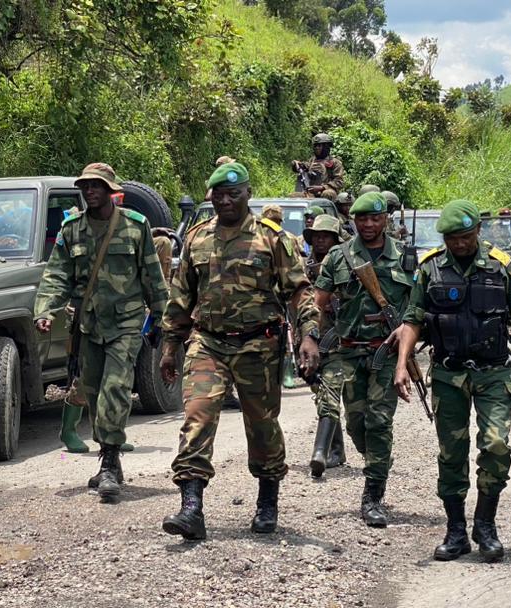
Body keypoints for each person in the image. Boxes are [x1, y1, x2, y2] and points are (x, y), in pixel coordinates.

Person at [160, 161, 320, 540]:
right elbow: (181, 297)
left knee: (262, 425)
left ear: (248, 194)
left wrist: (308, 335)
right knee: (197, 417)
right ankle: (191, 508)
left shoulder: (271, 239)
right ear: (210, 197)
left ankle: (267, 500)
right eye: (220, 194)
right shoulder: (198, 238)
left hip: (258, 344)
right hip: (207, 343)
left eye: (235, 193)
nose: (227, 200)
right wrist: (169, 344)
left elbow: (298, 291)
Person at [394, 199, 511, 564]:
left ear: (477, 231)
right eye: (451, 238)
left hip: (493, 372)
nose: (458, 244)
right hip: (448, 374)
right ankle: (456, 531)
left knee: (495, 446)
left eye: (464, 236)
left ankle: (485, 525)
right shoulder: (429, 269)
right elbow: (412, 319)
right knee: (451, 454)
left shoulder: (503, 266)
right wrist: (401, 364)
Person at [34, 162, 168, 502]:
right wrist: (45, 311)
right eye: (85, 186)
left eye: (96, 185)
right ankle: (109, 457)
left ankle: (109, 463)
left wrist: (167, 324)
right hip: (88, 325)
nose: (90, 191)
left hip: (125, 324)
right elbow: (56, 275)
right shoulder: (72, 230)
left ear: (110, 190)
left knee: (115, 389)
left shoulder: (136, 228)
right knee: (92, 392)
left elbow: (154, 278)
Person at [313, 193, 414, 525]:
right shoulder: (337, 257)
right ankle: (377, 461)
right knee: (357, 425)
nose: (369, 225)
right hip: (348, 351)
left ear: (385, 219)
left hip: (385, 354)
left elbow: (417, 309)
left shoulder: (405, 258)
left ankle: (373, 496)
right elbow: (319, 302)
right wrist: (311, 339)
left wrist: (407, 345)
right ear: (353, 221)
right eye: (362, 219)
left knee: (379, 422)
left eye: (375, 218)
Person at [301, 214, 347, 477]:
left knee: (330, 395)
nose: (320, 239)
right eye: (316, 235)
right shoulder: (305, 267)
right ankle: (337, 450)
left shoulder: (346, 266)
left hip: (339, 340)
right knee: (321, 392)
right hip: (312, 339)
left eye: (325, 236)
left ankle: (320, 453)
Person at [291, 133, 345, 200]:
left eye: (319, 146)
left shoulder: (335, 162)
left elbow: (339, 182)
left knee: (327, 193)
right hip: (311, 191)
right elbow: (305, 166)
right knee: (294, 195)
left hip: (326, 190)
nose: (316, 148)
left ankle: (325, 210)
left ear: (326, 146)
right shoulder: (312, 160)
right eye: (315, 146)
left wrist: (322, 187)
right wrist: (297, 164)